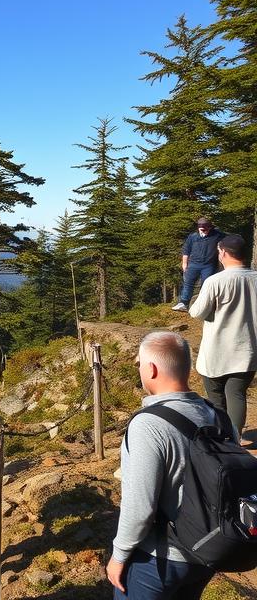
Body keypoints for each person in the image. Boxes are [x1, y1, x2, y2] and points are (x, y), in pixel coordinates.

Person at [107, 331, 229, 599]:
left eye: (139, 363)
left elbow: (140, 507)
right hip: (206, 550)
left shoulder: (148, 425)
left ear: (151, 369)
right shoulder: (217, 416)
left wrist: (119, 555)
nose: (138, 369)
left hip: (159, 559)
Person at [189, 233, 257, 438]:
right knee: (237, 394)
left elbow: (196, 312)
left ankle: (223, 440)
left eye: (219, 251)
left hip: (216, 350)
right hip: (247, 349)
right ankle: (235, 440)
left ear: (224, 253)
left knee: (217, 398)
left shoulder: (215, 281)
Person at [172, 218, 225, 312]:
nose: (203, 230)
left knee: (206, 284)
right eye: (201, 228)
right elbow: (186, 250)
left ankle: (203, 304)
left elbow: (229, 239)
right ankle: (183, 303)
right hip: (193, 264)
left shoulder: (217, 235)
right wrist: (184, 263)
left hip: (209, 265)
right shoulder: (193, 237)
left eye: (205, 228)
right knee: (188, 283)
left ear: (209, 227)